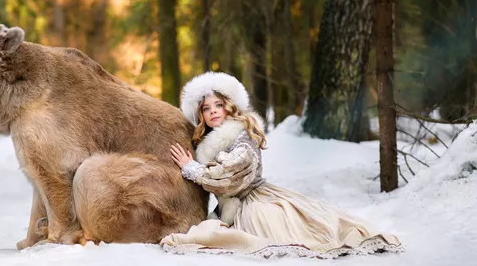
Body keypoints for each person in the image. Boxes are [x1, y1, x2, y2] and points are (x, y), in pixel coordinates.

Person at [162, 72, 403, 259]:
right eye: (206, 108)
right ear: (201, 114)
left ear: (230, 106)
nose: (213, 111)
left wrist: (191, 168)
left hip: (253, 202)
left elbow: (230, 177)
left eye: (218, 105)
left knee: (298, 233)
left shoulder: (242, 134)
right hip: (229, 208)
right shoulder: (207, 143)